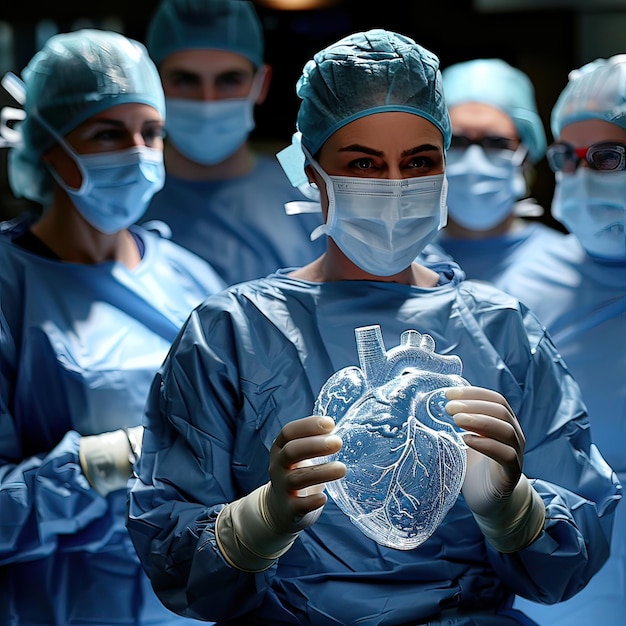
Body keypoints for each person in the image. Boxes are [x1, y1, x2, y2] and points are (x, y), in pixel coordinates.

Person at [126, 29, 621, 625]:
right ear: (312, 172)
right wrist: (259, 522)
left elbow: (572, 559)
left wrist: (514, 511)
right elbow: (172, 559)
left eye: (418, 162)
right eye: (362, 163)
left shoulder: (501, 328)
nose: (393, 185)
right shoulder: (232, 331)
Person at [0, 29, 225, 625]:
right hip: (59, 604)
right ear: (48, 146)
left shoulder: (189, 278)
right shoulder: (8, 289)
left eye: (151, 132)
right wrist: (115, 458)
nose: (138, 151)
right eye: (107, 133)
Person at [509, 54, 626, 626]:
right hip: (562, 597)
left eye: (608, 157)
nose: (579, 177)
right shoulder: (518, 292)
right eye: (566, 158)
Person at [139, 0, 326, 286]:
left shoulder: (303, 177)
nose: (208, 101)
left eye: (229, 80)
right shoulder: (124, 194)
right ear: (152, 83)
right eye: (185, 80)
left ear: (261, 84)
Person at [431, 58, 566, 283]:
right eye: (457, 142)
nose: (474, 160)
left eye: (496, 143)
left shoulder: (565, 268)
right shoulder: (403, 262)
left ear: (525, 155)